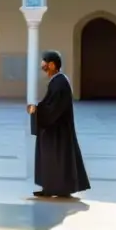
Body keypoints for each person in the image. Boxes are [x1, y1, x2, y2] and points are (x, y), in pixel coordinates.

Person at [26, 51, 90, 199]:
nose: (43, 66)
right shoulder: (58, 81)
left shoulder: (59, 82)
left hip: (56, 130)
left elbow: (53, 108)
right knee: (57, 159)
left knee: (54, 158)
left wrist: (36, 110)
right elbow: (51, 105)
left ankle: (53, 188)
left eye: (45, 63)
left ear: (53, 65)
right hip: (56, 128)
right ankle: (54, 187)